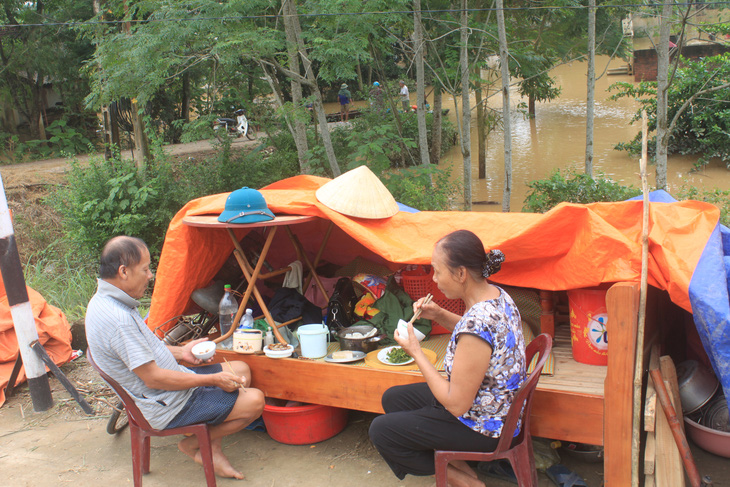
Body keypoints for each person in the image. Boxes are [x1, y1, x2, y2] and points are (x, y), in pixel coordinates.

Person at [85, 236, 265, 480]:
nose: (150, 275)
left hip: (170, 388)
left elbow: (142, 352)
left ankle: (210, 446)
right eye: (146, 269)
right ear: (123, 271)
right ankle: (193, 445)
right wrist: (212, 380)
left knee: (241, 369)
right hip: (167, 403)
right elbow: (154, 378)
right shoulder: (118, 320)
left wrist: (182, 352)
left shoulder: (105, 301)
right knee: (254, 401)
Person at [369, 230, 526, 487]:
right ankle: (459, 465)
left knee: (382, 432)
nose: (434, 279)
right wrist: (440, 314)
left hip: (487, 425)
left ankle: (465, 482)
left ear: (461, 273)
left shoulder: (479, 322)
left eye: (437, 271)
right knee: (393, 398)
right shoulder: (496, 296)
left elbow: (456, 405)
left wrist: (415, 352)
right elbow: (476, 335)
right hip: (494, 404)